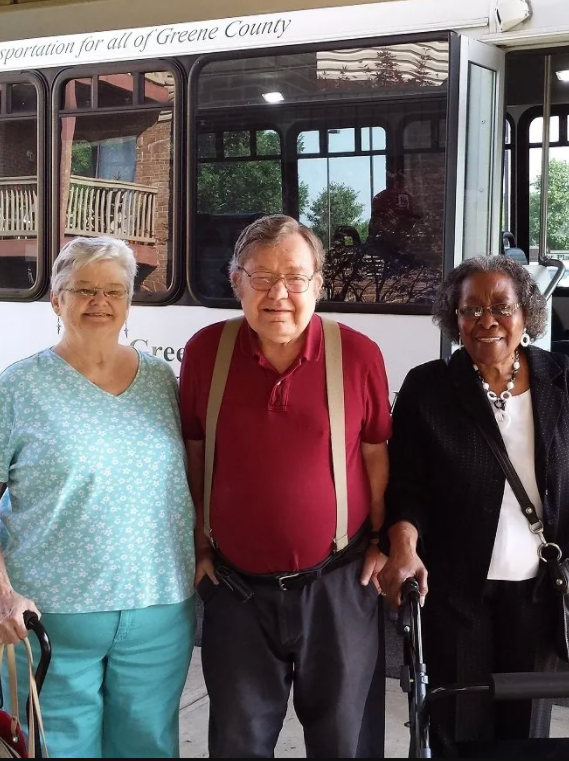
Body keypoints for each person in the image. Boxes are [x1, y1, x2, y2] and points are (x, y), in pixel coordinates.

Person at [378, 254, 569, 748]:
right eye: (470, 309)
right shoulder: (429, 388)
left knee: (526, 738)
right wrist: (403, 546)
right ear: (454, 319)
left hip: (539, 593)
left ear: (526, 313)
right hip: (453, 593)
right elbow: (408, 486)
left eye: (501, 306)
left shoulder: (567, 381)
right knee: (456, 732)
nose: (486, 320)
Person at [0, 236, 196, 758]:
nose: (100, 302)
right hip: (48, 619)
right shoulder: (19, 387)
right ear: (56, 300)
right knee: (55, 749)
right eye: (83, 289)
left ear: (131, 301)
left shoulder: (163, 382)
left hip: (157, 610)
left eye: (114, 290)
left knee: (149, 748)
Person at [178, 214, 392, 758]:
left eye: (296, 278)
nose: (279, 294)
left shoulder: (359, 354)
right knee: (237, 744)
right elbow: (196, 451)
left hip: (338, 588)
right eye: (261, 277)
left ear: (319, 284)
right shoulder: (207, 351)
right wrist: (200, 546)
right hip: (237, 591)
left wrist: (383, 540)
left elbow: (375, 456)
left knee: (345, 745)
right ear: (236, 283)